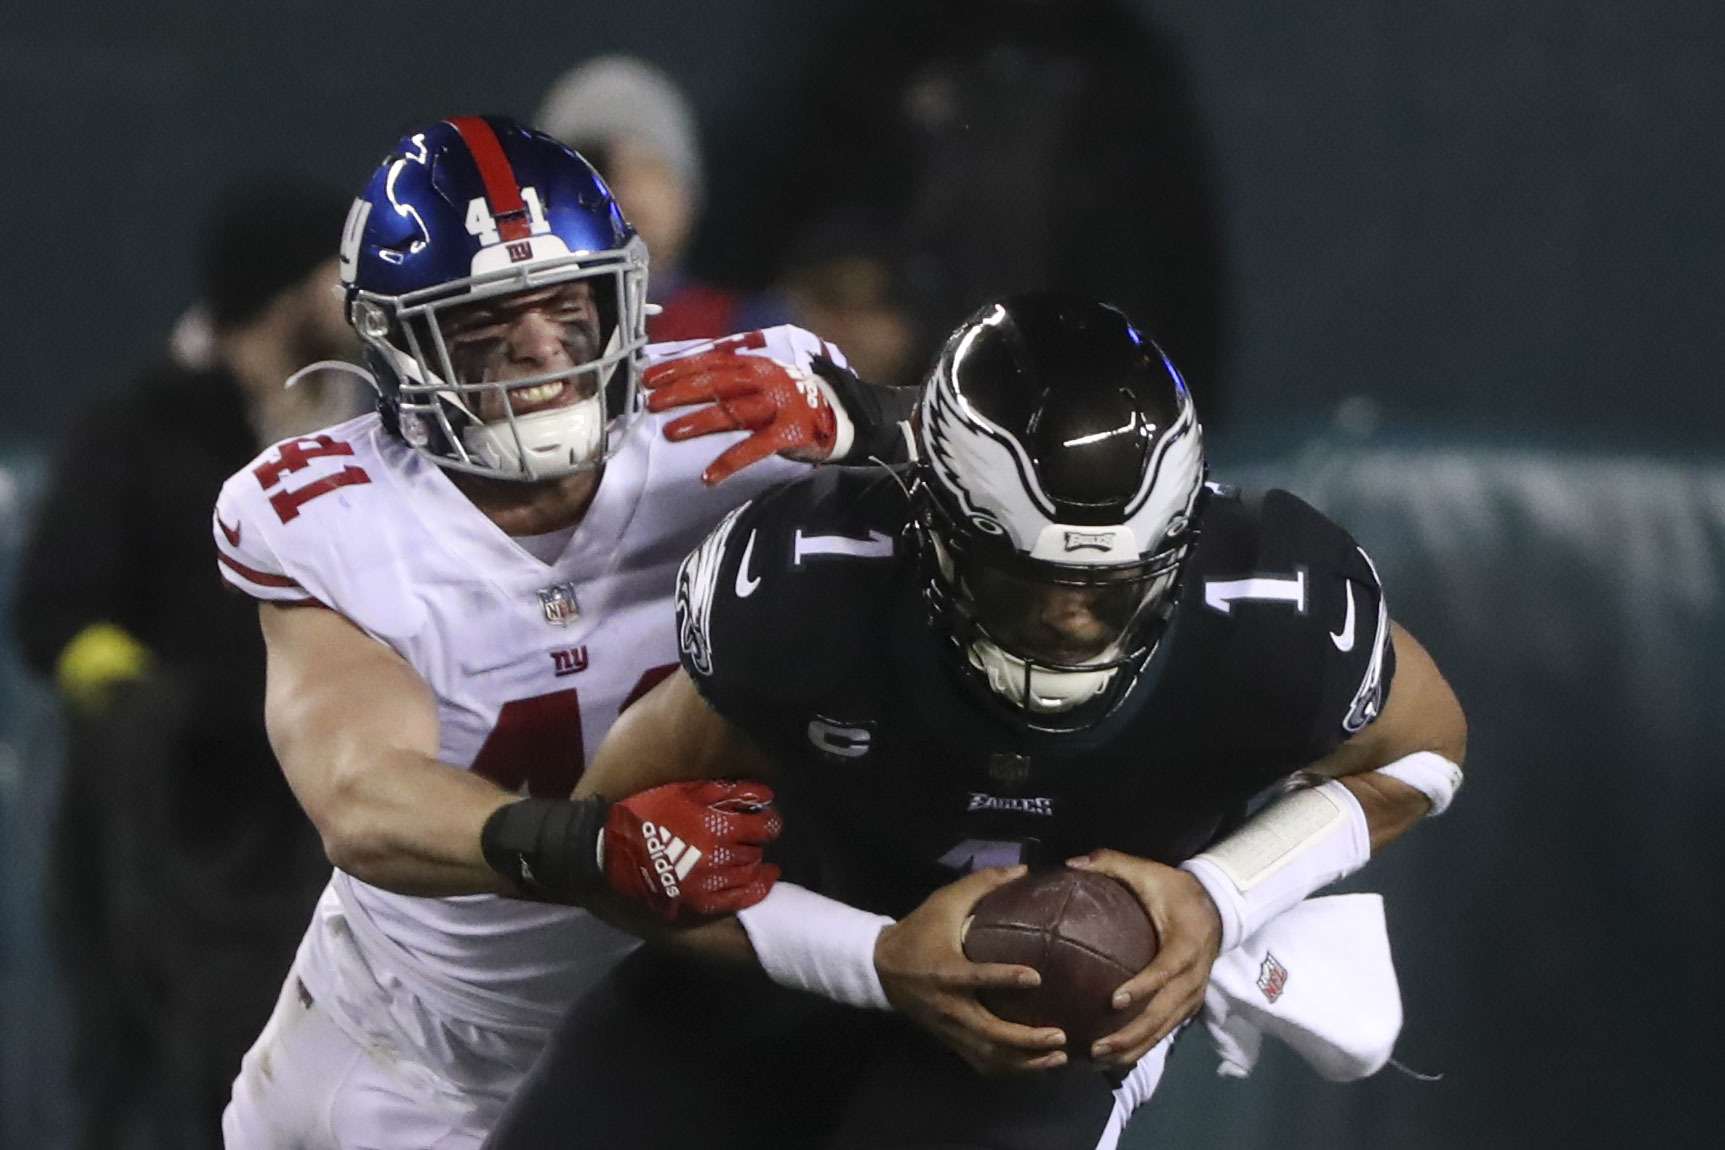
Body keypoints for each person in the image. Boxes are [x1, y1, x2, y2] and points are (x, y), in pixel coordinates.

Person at [482, 293, 1468, 1150]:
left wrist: (1221, 894)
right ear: (934, 525)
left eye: (1108, 585)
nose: (1070, 620)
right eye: (1026, 579)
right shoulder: (810, 589)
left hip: (1046, 1037)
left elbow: (1427, 746)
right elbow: (611, 839)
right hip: (764, 972)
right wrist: (866, 957)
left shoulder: (1272, 610)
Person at [213, 115, 914, 1149]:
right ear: (401, 341)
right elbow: (361, 795)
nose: (542, 342)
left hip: (688, 1037)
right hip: (415, 1058)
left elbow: (1071, 491)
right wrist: (589, 845)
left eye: (566, 301)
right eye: (490, 317)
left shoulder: (748, 410)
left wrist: (887, 423)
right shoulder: (328, 513)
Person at [11, 183, 359, 1150]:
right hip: (179, 852)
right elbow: (53, 612)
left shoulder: (370, 428)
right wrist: (156, 713)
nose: (360, 294)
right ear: (287, 291)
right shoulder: (135, 426)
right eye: (338, 273)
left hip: (328, 827)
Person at [536, 55, 792, 342]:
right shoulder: (525, 337)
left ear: (685, 194)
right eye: (597, 173)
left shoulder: (754, 329)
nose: (625, 194)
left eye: (649, 169)